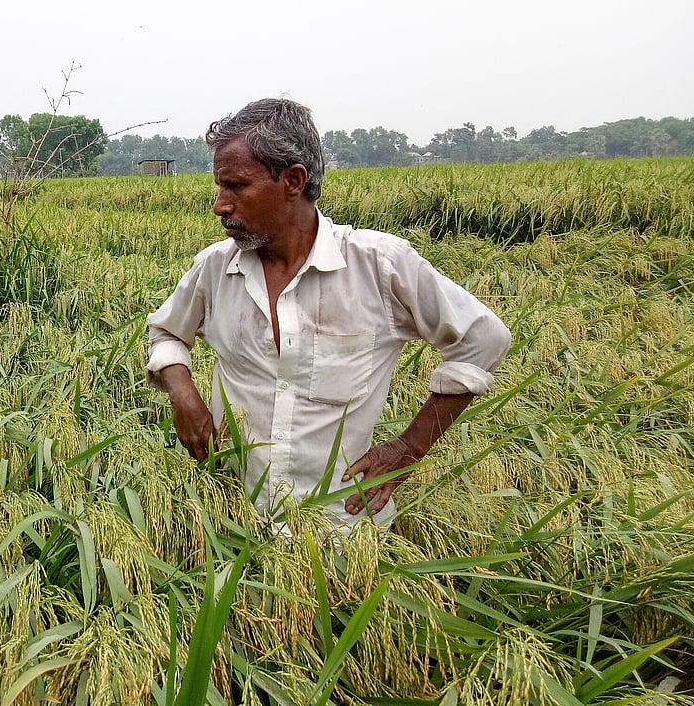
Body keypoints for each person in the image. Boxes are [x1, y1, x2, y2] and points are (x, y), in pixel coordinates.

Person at [146, 98, 511, 531]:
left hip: (343, 533)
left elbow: (483, 339)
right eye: (219, 188)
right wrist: (182, 393)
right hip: (230, 525)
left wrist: (409, 449)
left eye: (236, 187)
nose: (220, 205)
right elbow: (167, 333)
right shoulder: (215, 267)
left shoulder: (379, 266)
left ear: (293, 181)